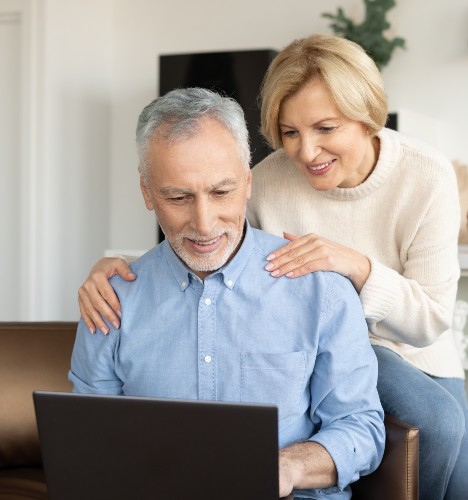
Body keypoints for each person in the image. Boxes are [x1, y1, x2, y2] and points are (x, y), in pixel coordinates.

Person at [77, 34, 468, 500]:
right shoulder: (265, 180)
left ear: (367, 117)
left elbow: (430, 319)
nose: (307, 152)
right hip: (309, 333)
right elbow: (205, 245)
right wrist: (118, 268)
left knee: (443, 427)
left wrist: (354, 267)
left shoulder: (425, 175)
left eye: (325, 128)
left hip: (408, 345)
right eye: (290, 132)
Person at [70, 87, 385, 499]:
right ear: (147, 193)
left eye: (221, 192)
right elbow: (90, 439)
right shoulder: (109, 301)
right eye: (178, 196)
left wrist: (287, 467)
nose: (204, 224)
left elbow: (361, 427)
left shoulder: (320, 290)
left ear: (248, 182)